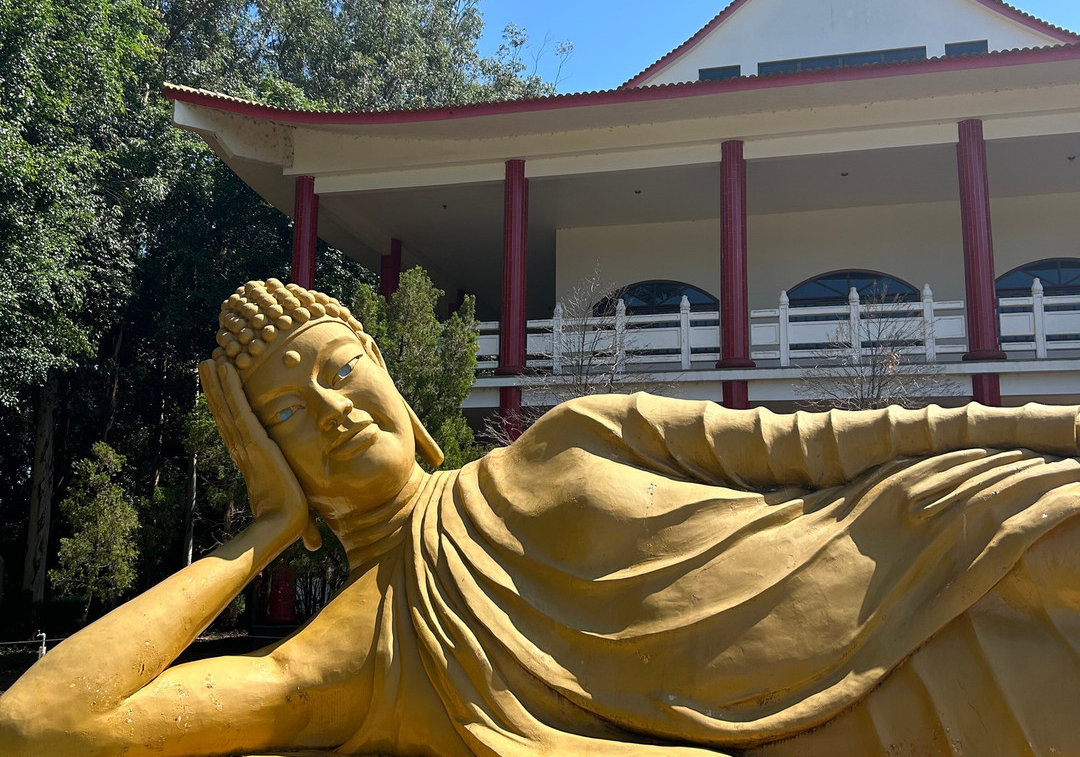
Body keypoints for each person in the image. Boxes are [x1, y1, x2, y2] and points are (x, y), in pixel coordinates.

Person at [2, 278, 1080, 757]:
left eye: (342, 371)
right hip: (869, 719)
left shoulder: (576, 433)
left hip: (948, 538)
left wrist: (1057, 428)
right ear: (266, 457)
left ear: (403, 396)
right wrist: (262, 533)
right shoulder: (353, 653)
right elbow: (40, 727)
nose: (329, 410)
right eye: (287, 413)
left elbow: (833, 446)